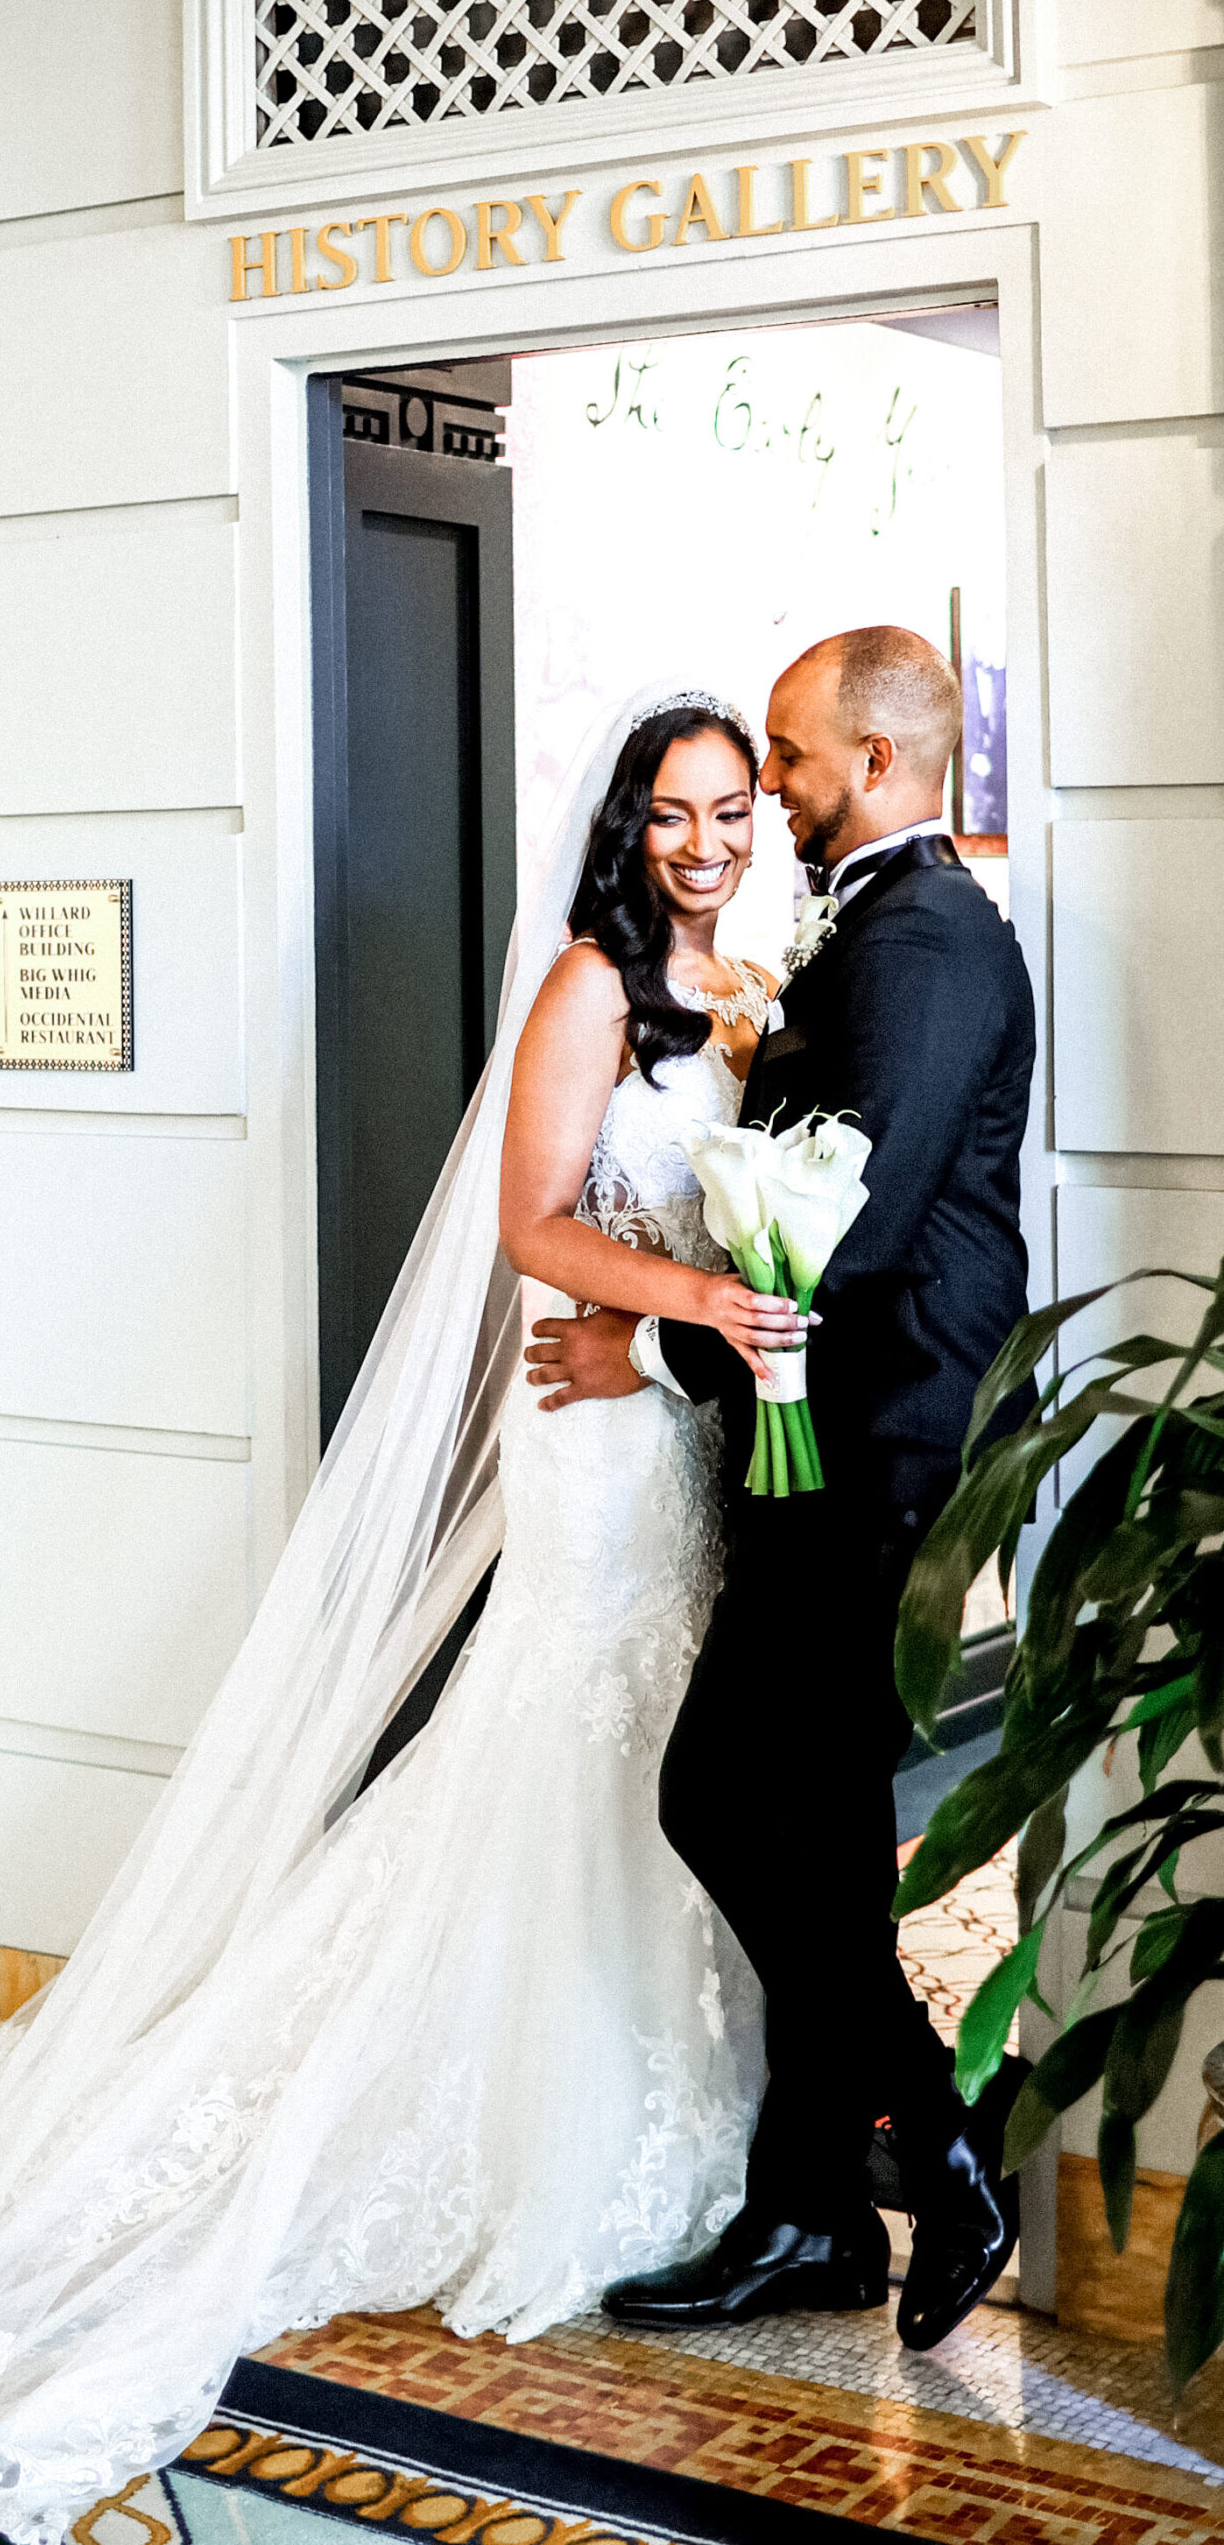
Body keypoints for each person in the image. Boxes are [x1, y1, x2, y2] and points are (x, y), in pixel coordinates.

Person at [0, 690, 791, 2542]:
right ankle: (533, 2130)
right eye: (677, 812)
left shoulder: (734, 988)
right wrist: (698, 1301)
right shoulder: (591, 986)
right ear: (626, 822)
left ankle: (692, 2117)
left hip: (664, 1431)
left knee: (662, 1747)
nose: (708, 840)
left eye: (734, 808)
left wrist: (704, 1319)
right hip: (594, 1436)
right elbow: (531, 1220)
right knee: (574, 1734)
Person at [529, 627, 1036, 2352]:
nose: (769, 810)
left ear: (873, 770)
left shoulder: (923, 940)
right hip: (811, 1436)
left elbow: (850, 1236)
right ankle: (818, 2208)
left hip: (876, 1441)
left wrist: (647, 1352)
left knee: (720, 1798)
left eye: (788, 773)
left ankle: (931, 2138)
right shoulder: (872, 930)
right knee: (805, 1826)